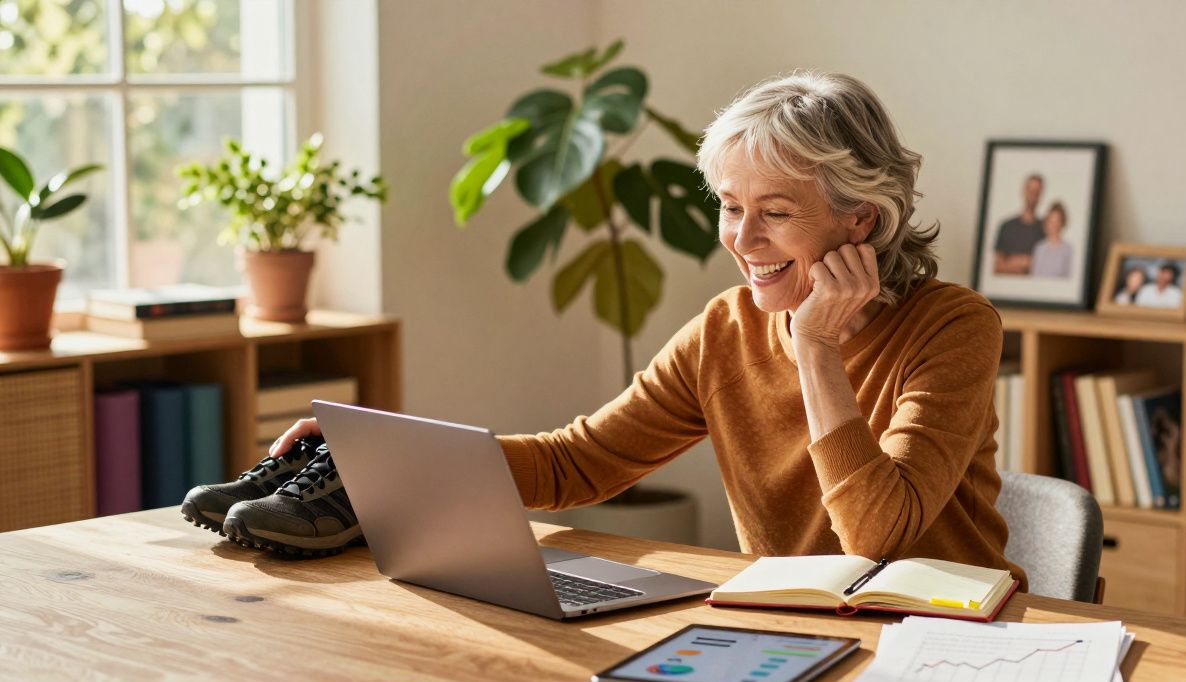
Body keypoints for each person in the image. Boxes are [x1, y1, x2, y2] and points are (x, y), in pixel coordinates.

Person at [208, 71, 1027, 589]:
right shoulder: (725, 330)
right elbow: (578, 462)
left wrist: (815, 348)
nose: (741, 242)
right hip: (793, 631)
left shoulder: (953, 326)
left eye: (775, 214)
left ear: (862, 222)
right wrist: (387, 453)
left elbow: (878, 536)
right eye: (731, 209)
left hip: (943, 647)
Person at [992, 174, 1045, 275]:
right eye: (1030, 190)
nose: (1032, 195)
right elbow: (997, 267)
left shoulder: (1045, 229)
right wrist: (1024, 262)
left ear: (1040, 195)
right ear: (1024, 191)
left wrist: (1012, 262)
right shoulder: (1006, 226)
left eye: (1036, 192)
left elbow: (1045, 265)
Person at [1028, 201, 1073, 279]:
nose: (1053, 225)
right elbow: (1034, 276)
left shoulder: (1068, 249)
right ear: (1046, 223)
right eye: (1051, 221)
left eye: (1057, 221)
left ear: (1062, 223)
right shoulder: (1039, 248)